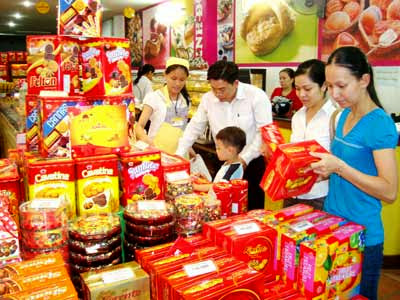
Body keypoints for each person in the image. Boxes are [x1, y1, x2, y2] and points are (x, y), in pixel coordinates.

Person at [310, 46, 398, 300]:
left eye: (342, 85)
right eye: (329, 86)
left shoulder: (379, 123)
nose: (335, 94)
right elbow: (347, 169)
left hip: (362, 234)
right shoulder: (343, 114)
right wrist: (323, 171)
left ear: (364, 80)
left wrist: (339, 167)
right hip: (333, 225)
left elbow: (389, 190)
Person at [176, 60, 273, 209]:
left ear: (235, 83)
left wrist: (243, 159)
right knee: (222, 207)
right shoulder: (208, 99)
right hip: (223, 160)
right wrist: (179, 154)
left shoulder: (256, 96)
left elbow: (263, 132)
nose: (217, 94)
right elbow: (195, 126)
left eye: (222, 89)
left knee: (252, 208)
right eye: (213, 89)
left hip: (251, 162)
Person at [284, 59, 337, 210]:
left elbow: (340, 162)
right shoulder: (298, 116)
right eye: (298, 88)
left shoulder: (335, 117)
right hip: (292, 192)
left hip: (319, 196)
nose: (301, 94)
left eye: (307, 89)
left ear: (324, 86)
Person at [135, 57, 190, 149]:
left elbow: (181, 132)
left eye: (182, 80)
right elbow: (139, 127)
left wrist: (189, 149)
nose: (177, 84)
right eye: (173, 78)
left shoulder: (185, 101)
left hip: (180, 155)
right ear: (165, 75)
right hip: (159, 153)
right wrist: (150, 144)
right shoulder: (154, 97)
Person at [193, 126, 246, 192]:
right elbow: (217, 183)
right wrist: (205, 180)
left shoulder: (232, 169)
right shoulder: (229, 163)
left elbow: (218, 187)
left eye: (219, 148)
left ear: (230, 150)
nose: (216, 150)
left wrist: (195, 187)